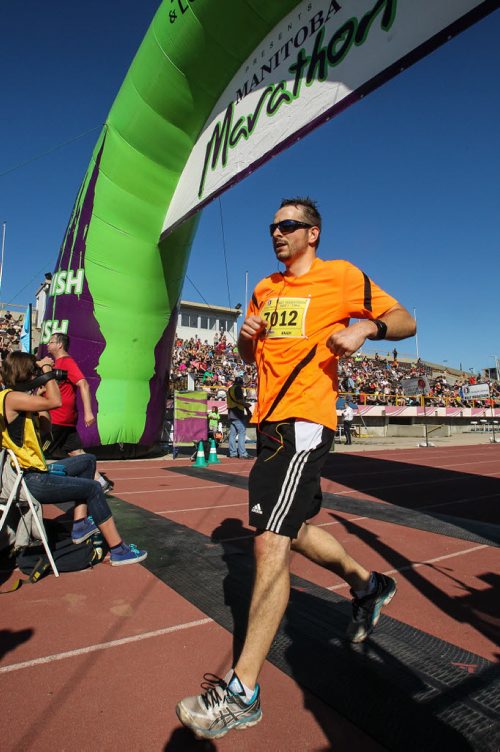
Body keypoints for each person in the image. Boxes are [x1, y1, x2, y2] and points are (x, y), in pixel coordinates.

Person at [176, 197, 416, 739]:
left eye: (287, 226)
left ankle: (243, 693)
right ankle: (368, 585)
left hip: (305, 421)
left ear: (312, 233)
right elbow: (249, 358)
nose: (276, 234)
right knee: (296, 529)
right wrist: (243, 338)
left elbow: (406, 319)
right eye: (272, 227)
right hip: (268, 422)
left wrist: (364, 331)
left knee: (269, 542)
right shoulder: (264, 289)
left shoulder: (341, 276)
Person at [0, 351, 147, 566]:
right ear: (25, 372)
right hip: (30, 481)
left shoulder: (21, 401)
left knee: (87, 460)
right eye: (34, 372)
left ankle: (79, 524)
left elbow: (46, 431)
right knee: (93, 488)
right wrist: (48, 370)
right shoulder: (11, 397)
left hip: (34, 473)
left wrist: (40, 398)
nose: (36, 375)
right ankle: (118, 549)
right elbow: (56, 400)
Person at [43, 332, 113, 492]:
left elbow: (84, 384)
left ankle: (35, 486)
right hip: (63, 417)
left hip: (58, 417)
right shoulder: (56, 364)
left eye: (51, 342)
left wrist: (88, 412)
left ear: (59, 345)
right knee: (76, 451)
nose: (48, 344)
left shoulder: (67, 362)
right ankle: (101, 482)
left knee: (39, 450)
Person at [226, 376, 251, 459]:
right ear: (240, 383)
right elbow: (240, 400)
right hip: (237, 413)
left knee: (233, 434)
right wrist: (246, 405)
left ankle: (233, 453)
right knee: (242, 431)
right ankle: (243, 453)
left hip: (231, 413)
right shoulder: (238, 388)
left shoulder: (230, 389)